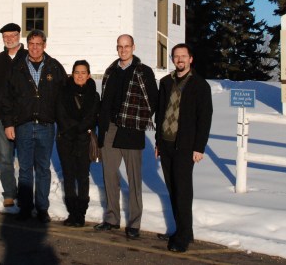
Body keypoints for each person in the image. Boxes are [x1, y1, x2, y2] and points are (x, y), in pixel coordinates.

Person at [95, 34, 158, 239]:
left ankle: (134, 223)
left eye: (127, 46)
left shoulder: (143, 71)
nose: (123, 50)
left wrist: (137, 120)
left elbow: (153, 101)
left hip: (131, 129)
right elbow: (105, 100)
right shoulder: (110, 71)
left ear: (133, 47)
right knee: (110, 175)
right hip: (110, 128)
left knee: (133, 177)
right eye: (120, 47)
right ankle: (112, 218)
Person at [2, 29, 66, 223]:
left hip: (46, 125)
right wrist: (8, 123)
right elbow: (7, 98)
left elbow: (63, 98)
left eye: (39, 44)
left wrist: (62, 123)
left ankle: (42, 207)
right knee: (24, 169)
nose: (35, 48)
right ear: (27, 45)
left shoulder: (54, 67)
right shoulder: (17, 67)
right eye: (32, 44)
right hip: (24, 124)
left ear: (44, 45)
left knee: (43, 168)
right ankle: (25, 206)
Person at [155, 43, 213, 253]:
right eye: (176, 56)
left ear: (190, 59)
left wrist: (199, 147)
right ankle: (182, 230)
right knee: (172, 189)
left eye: (183, 56)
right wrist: (158, 142)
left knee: (183, 190)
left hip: (186, 146)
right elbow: (160, 112)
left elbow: (205, 118)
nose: (179, 60)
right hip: (167, 144)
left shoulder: (199, 85)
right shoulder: (165, 82)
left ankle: (184, 236)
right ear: (172, 59)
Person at [55, 60, 99, 227]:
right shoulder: (63, 93)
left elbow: (92, 117)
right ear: (72, 74)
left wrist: (79, 128)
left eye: (83, 72)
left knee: (82, 177)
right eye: (76, 72)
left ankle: (81, 212)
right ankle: (72, 211)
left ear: (88, 75)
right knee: (68, 176)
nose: (80, 76)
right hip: (65, 140)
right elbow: (60, 114)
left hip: (83, 141)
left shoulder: (94, 95)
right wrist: (72, 129)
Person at [0, 22, 26, 207]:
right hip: (2, 117)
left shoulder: (29, 57)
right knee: (6, 158)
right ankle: (9, 193)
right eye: (6, 36)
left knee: (26, 158)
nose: (9, 39)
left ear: (19, 36)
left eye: (12, 35)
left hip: (24, 117)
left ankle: (26, 193)